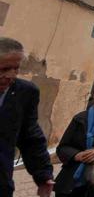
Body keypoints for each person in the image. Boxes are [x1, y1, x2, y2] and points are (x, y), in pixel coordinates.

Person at [0, 37, 53, 197]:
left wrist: (43, 175)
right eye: (4, 69)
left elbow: (30, 136)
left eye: (16, 69)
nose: (11, 75)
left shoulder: (25, 92)